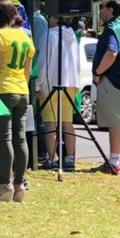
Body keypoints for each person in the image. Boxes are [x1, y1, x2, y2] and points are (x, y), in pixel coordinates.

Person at [0, 0, 36, 201]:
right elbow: (28, 70)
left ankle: (5, 184)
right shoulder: (25, 36)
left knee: (4, 139)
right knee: (20, 138)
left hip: (3, 90)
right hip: (22, 91)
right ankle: (19, 185)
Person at [93, 0, 120, 175]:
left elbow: (111, 53)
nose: (100, 10)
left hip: (112, 82)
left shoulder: (111, 28)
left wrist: (98, 72)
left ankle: (113, 163)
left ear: (110, 10)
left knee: (114, 125)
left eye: (102, 7)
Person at [38, 16, 79, 171]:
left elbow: (43, 61)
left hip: (51, 83)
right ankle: (70, 158)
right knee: (67, 123)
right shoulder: (72, 35)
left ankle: (52, 158)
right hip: (70, 83)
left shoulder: (49, 35)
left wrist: (38, 83)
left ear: (55, 18)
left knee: (51, 123)